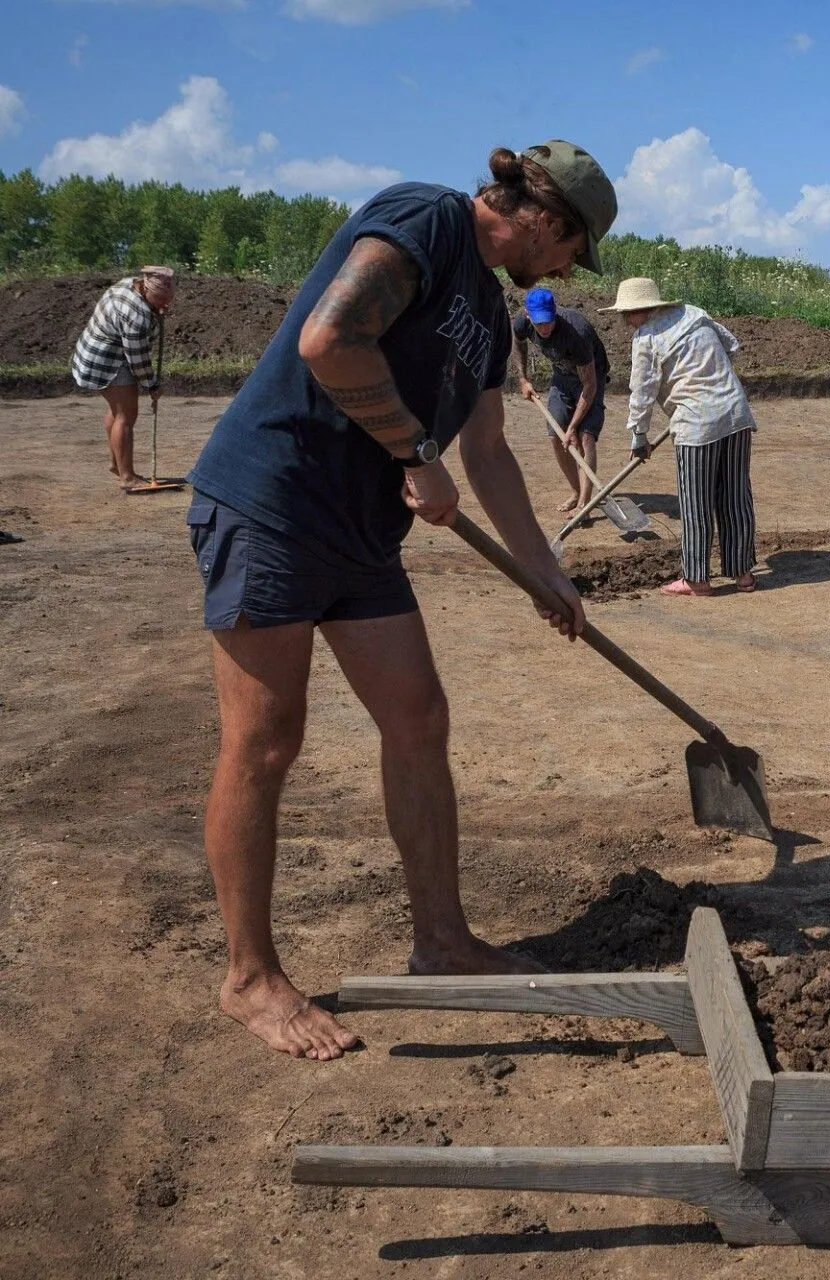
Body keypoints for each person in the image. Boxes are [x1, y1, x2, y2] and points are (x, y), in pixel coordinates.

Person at [183, 139, 617, 1061]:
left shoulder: (491, 312)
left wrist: (545, 569)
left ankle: (443, 942)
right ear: (546, 217)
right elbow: (330, 340)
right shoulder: (428, 218)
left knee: (419, 718)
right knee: (266, 739)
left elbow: (490, 453)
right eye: (576, 247)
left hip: (360, 532)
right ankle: (250, 977)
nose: (570, 268)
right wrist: (416, 456)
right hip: (273, 504)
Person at [605, 276, 758, 597]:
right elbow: (731, 345)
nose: (625, 321)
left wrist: (639, 436)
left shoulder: (645, 338)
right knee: (734, 496)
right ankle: (743, 574)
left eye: (626, 314)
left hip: (696, 425)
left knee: (696, 503)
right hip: (735, 412)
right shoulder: (694, 313)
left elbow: (642, 393)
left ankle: (697, 579)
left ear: (637, 311)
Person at [71, 265, 176, 491]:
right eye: (160, 301)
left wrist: (156, 309)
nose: (165, 306)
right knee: (126, 416)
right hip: (106, 361)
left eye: (168, 300)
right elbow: (137, 359)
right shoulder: (137, 315)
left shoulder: (131, 284)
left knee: (117, 411)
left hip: (94, 351)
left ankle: (116, 465)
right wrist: (152, 385)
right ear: (146, 290)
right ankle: (127, 478)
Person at [512, 286, 610, 515]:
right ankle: (576, 492)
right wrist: (523, 378)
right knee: (556, 436)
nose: (544, 328)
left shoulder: (577, 332)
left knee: (585, 437)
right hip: (562, 377)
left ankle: (585, 504)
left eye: (548, 321)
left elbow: (590, 386)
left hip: (591, 378)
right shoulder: (522, 323)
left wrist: (573, 427)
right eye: (539, 323)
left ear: (555, 311)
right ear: (528, 315)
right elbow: (517, 341)